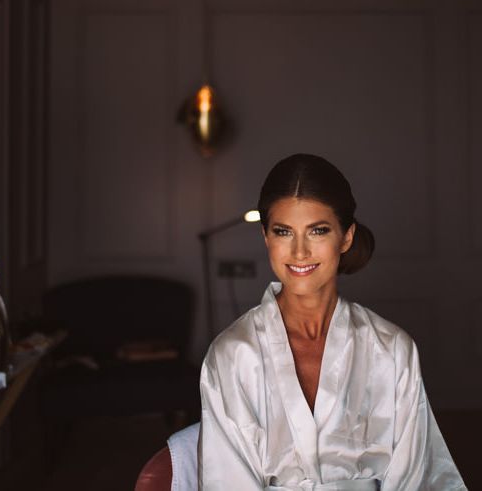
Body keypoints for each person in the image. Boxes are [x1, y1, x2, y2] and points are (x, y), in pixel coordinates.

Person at [198, 154, 466, 490]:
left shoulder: (391, 349)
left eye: (317, 231)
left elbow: (414, 479)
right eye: (283, 232)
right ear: (265, 236)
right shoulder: (232, 355)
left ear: (346, 237)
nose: (299, 252)